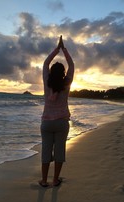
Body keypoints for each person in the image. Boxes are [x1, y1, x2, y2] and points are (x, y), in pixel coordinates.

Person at [39, 35, 74, 187]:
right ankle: (55, 180)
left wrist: (56, 49)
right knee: (60, 152)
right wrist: (64, 49)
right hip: (61, 123)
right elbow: (72, 65)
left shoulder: (47, 82)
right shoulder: (67, 83)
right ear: (63, 73)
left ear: (51, 72)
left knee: (46, 152)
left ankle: (44, 180)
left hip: (46, 123)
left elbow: (46, 62)